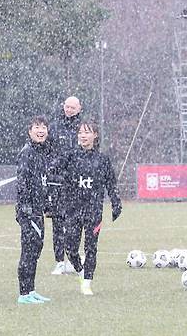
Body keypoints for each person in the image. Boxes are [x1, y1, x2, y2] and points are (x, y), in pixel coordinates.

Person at [63, 119, 122, 295]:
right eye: (80, 132)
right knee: (70, 248)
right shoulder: (70, 156)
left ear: (95, 135)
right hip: (73, 209)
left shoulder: (102, 159)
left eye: (87, 132)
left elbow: (111, 184)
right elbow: (53, 171)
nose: (83, 135)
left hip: (94, 210)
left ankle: (87, 282)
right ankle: (80, 270)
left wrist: (116, 203)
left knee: (91, 248)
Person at [15, 115, 52, 304]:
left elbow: (41, 183)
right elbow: (22, 182)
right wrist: (26, 207)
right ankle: (23, 294)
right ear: (30, 131)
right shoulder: (27, 152)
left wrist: (46, 204)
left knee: (36, 249)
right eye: (37, 127)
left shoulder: (42, 152)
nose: (41, 130)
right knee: (28, 250)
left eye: (43, 127)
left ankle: (31, 290)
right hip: (28, 211)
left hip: (37, 210)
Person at [45, 96, 82, 275]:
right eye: (67, 106)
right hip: (57, 182)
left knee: (76, 222)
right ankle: (59, 261)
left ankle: (75, 258)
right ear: (63, 107)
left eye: (72, 107)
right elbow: (47, 152)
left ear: (79, 108)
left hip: (76, 182)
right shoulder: (54, 127)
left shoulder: (84, 128)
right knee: (58, 222)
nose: (69, 109)